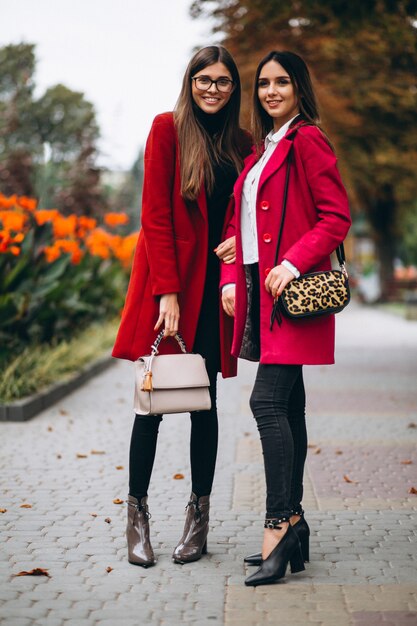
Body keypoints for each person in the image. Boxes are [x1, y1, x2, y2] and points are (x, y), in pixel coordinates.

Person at [112, 45, 251, 568]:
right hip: (171, 283)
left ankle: (199, 518)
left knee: (204, 402)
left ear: (233, 88)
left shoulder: (242, 143)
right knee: (153, 404)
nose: (212, 88)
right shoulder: (166, 129)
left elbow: (249, 214)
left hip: (217, 293)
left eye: (222, 81)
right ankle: (138, 516)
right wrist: (166, 291)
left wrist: (240, 244)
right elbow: (155, 216)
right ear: (190, 82)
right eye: (203, 79)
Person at [219, 50, 351, 586]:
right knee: (288, 404)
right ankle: (294, 521)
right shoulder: (260, 150)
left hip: (290, 292)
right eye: (265, 83)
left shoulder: (308, 139)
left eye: (283, 82)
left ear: (299, 87)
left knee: (265, 401)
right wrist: (231, 277)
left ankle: (278, 525)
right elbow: (240, 220)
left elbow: (336, 215)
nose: (271, 91)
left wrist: (294, 261)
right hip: (257, 289)